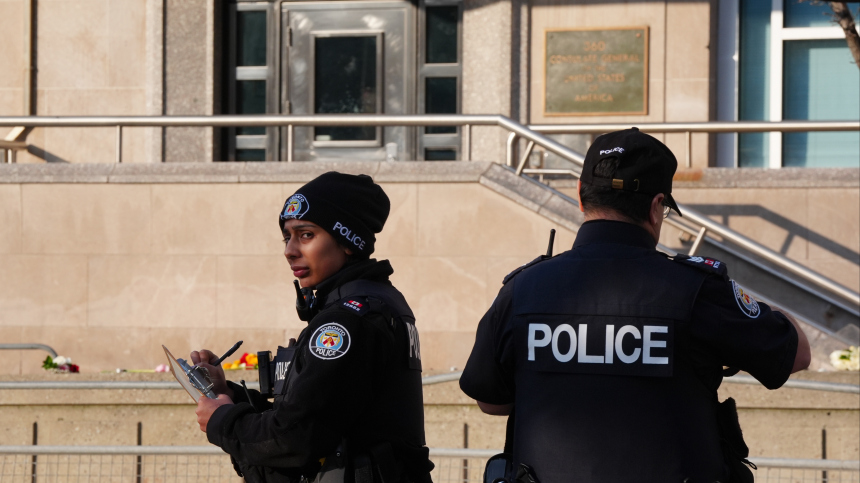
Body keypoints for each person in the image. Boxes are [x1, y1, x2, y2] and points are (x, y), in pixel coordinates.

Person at [459, 128, 811, 483]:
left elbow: (490, 400)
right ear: (656, 207)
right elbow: (796, 354)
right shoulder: (697, 291)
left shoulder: (522, 290)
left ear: (580, 195)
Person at [192, 172, 434, 483]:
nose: (289, 250)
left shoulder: (348, 320)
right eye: (287, 237)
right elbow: (316, 415)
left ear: (347, 242)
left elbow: (295, 438)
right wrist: (228, 394)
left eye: (306, 235)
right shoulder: (374, 301)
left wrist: (223, 420)